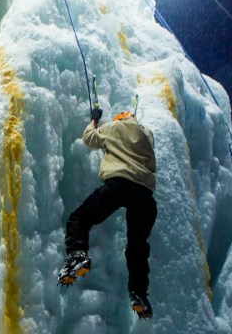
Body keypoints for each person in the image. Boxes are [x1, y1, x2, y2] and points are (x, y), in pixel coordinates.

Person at [58, 109, 158, 319]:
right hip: (145, 195)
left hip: (119, 184)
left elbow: (89, 138)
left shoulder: (114, 127)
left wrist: (94, 119)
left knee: (80, 218)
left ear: (119, 118)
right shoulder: (147, 134)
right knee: (137, 246)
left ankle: (78, 255)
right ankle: (139, 293)